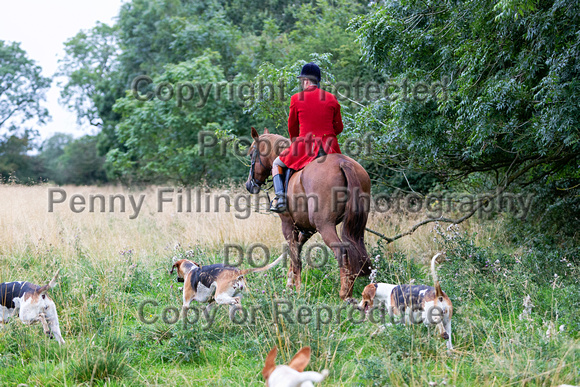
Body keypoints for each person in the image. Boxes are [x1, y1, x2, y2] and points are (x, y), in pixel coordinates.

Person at [270, 62, 344, 213]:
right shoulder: (332, 98)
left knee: (276, 163)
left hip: (305, 146)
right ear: (317, 81)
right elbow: (339, 128)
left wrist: (295, 142)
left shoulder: (296, 99)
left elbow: (292, 127)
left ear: (305, 80)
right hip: (330, 147)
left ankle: (280, 198)